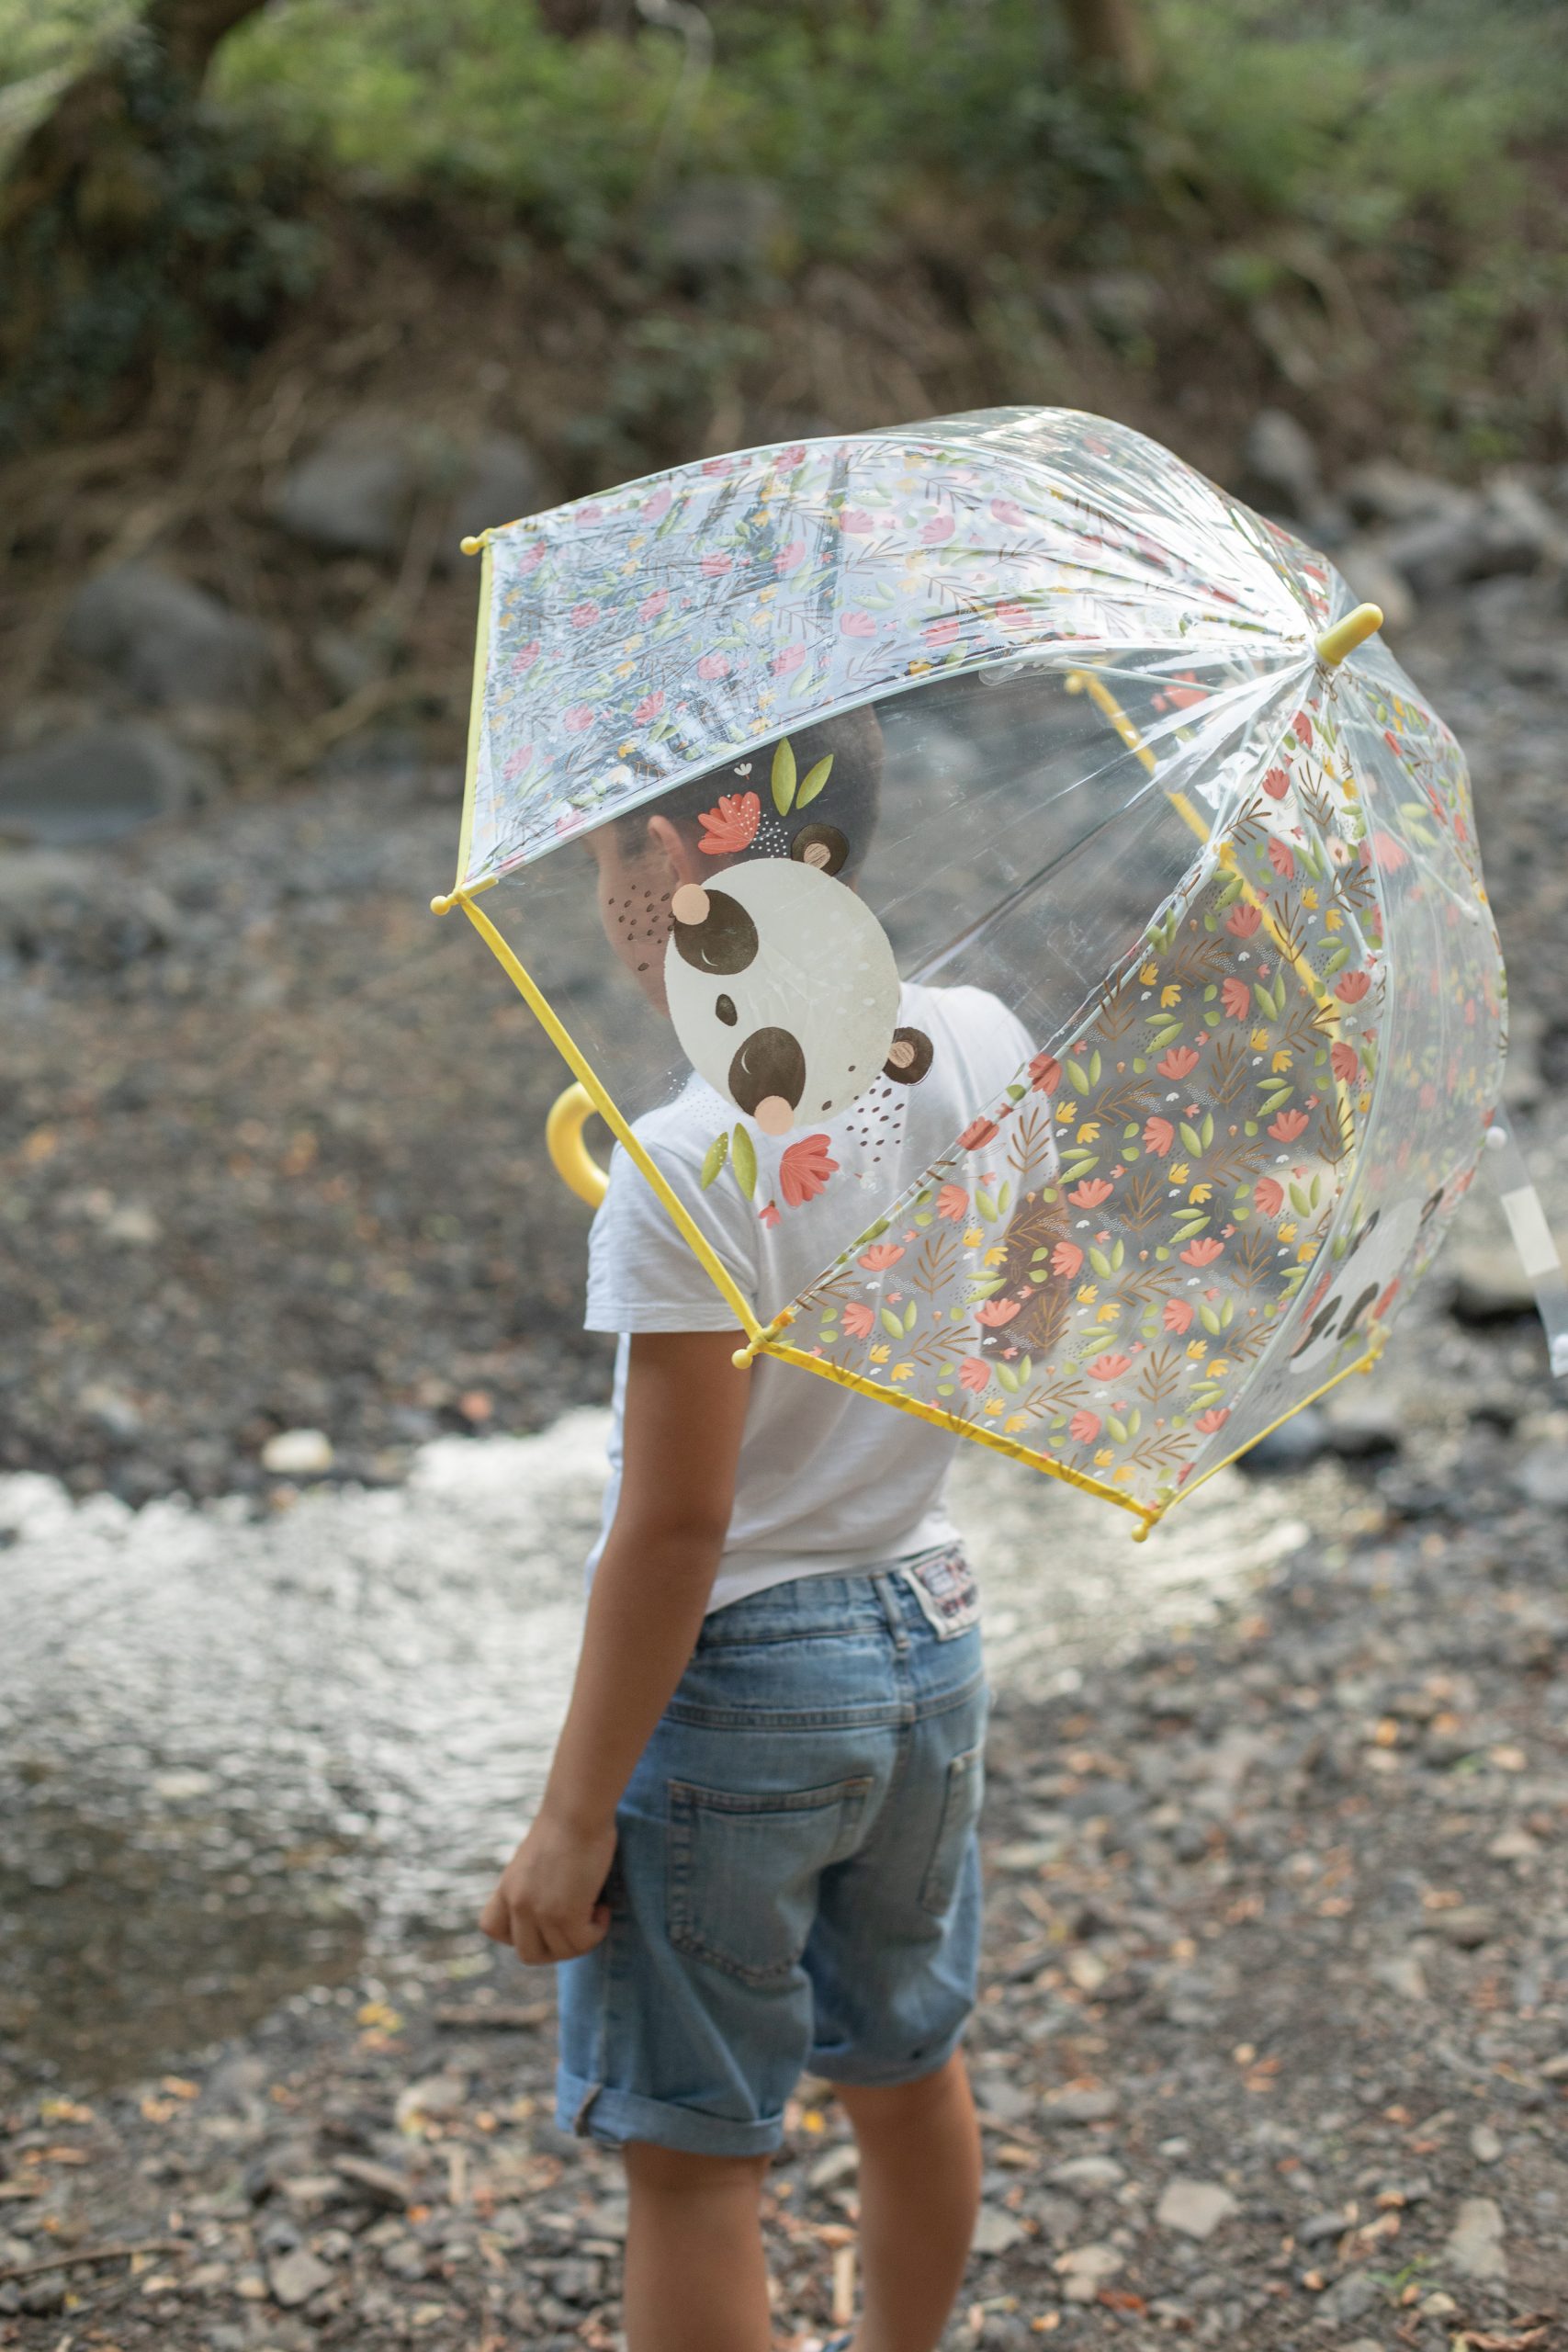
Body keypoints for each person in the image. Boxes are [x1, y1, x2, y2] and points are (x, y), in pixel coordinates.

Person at [481, 706, 1034, 2352]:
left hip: (745, 1685)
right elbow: (1029, 1303)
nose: (602, 891)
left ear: (670, 860)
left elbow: (676, 1531)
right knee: (903, 2067)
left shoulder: (687, 1161)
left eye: (604, 855)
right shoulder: (989, 1044)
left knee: (694, 2159)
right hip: (930, 1642)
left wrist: (573, 1820)